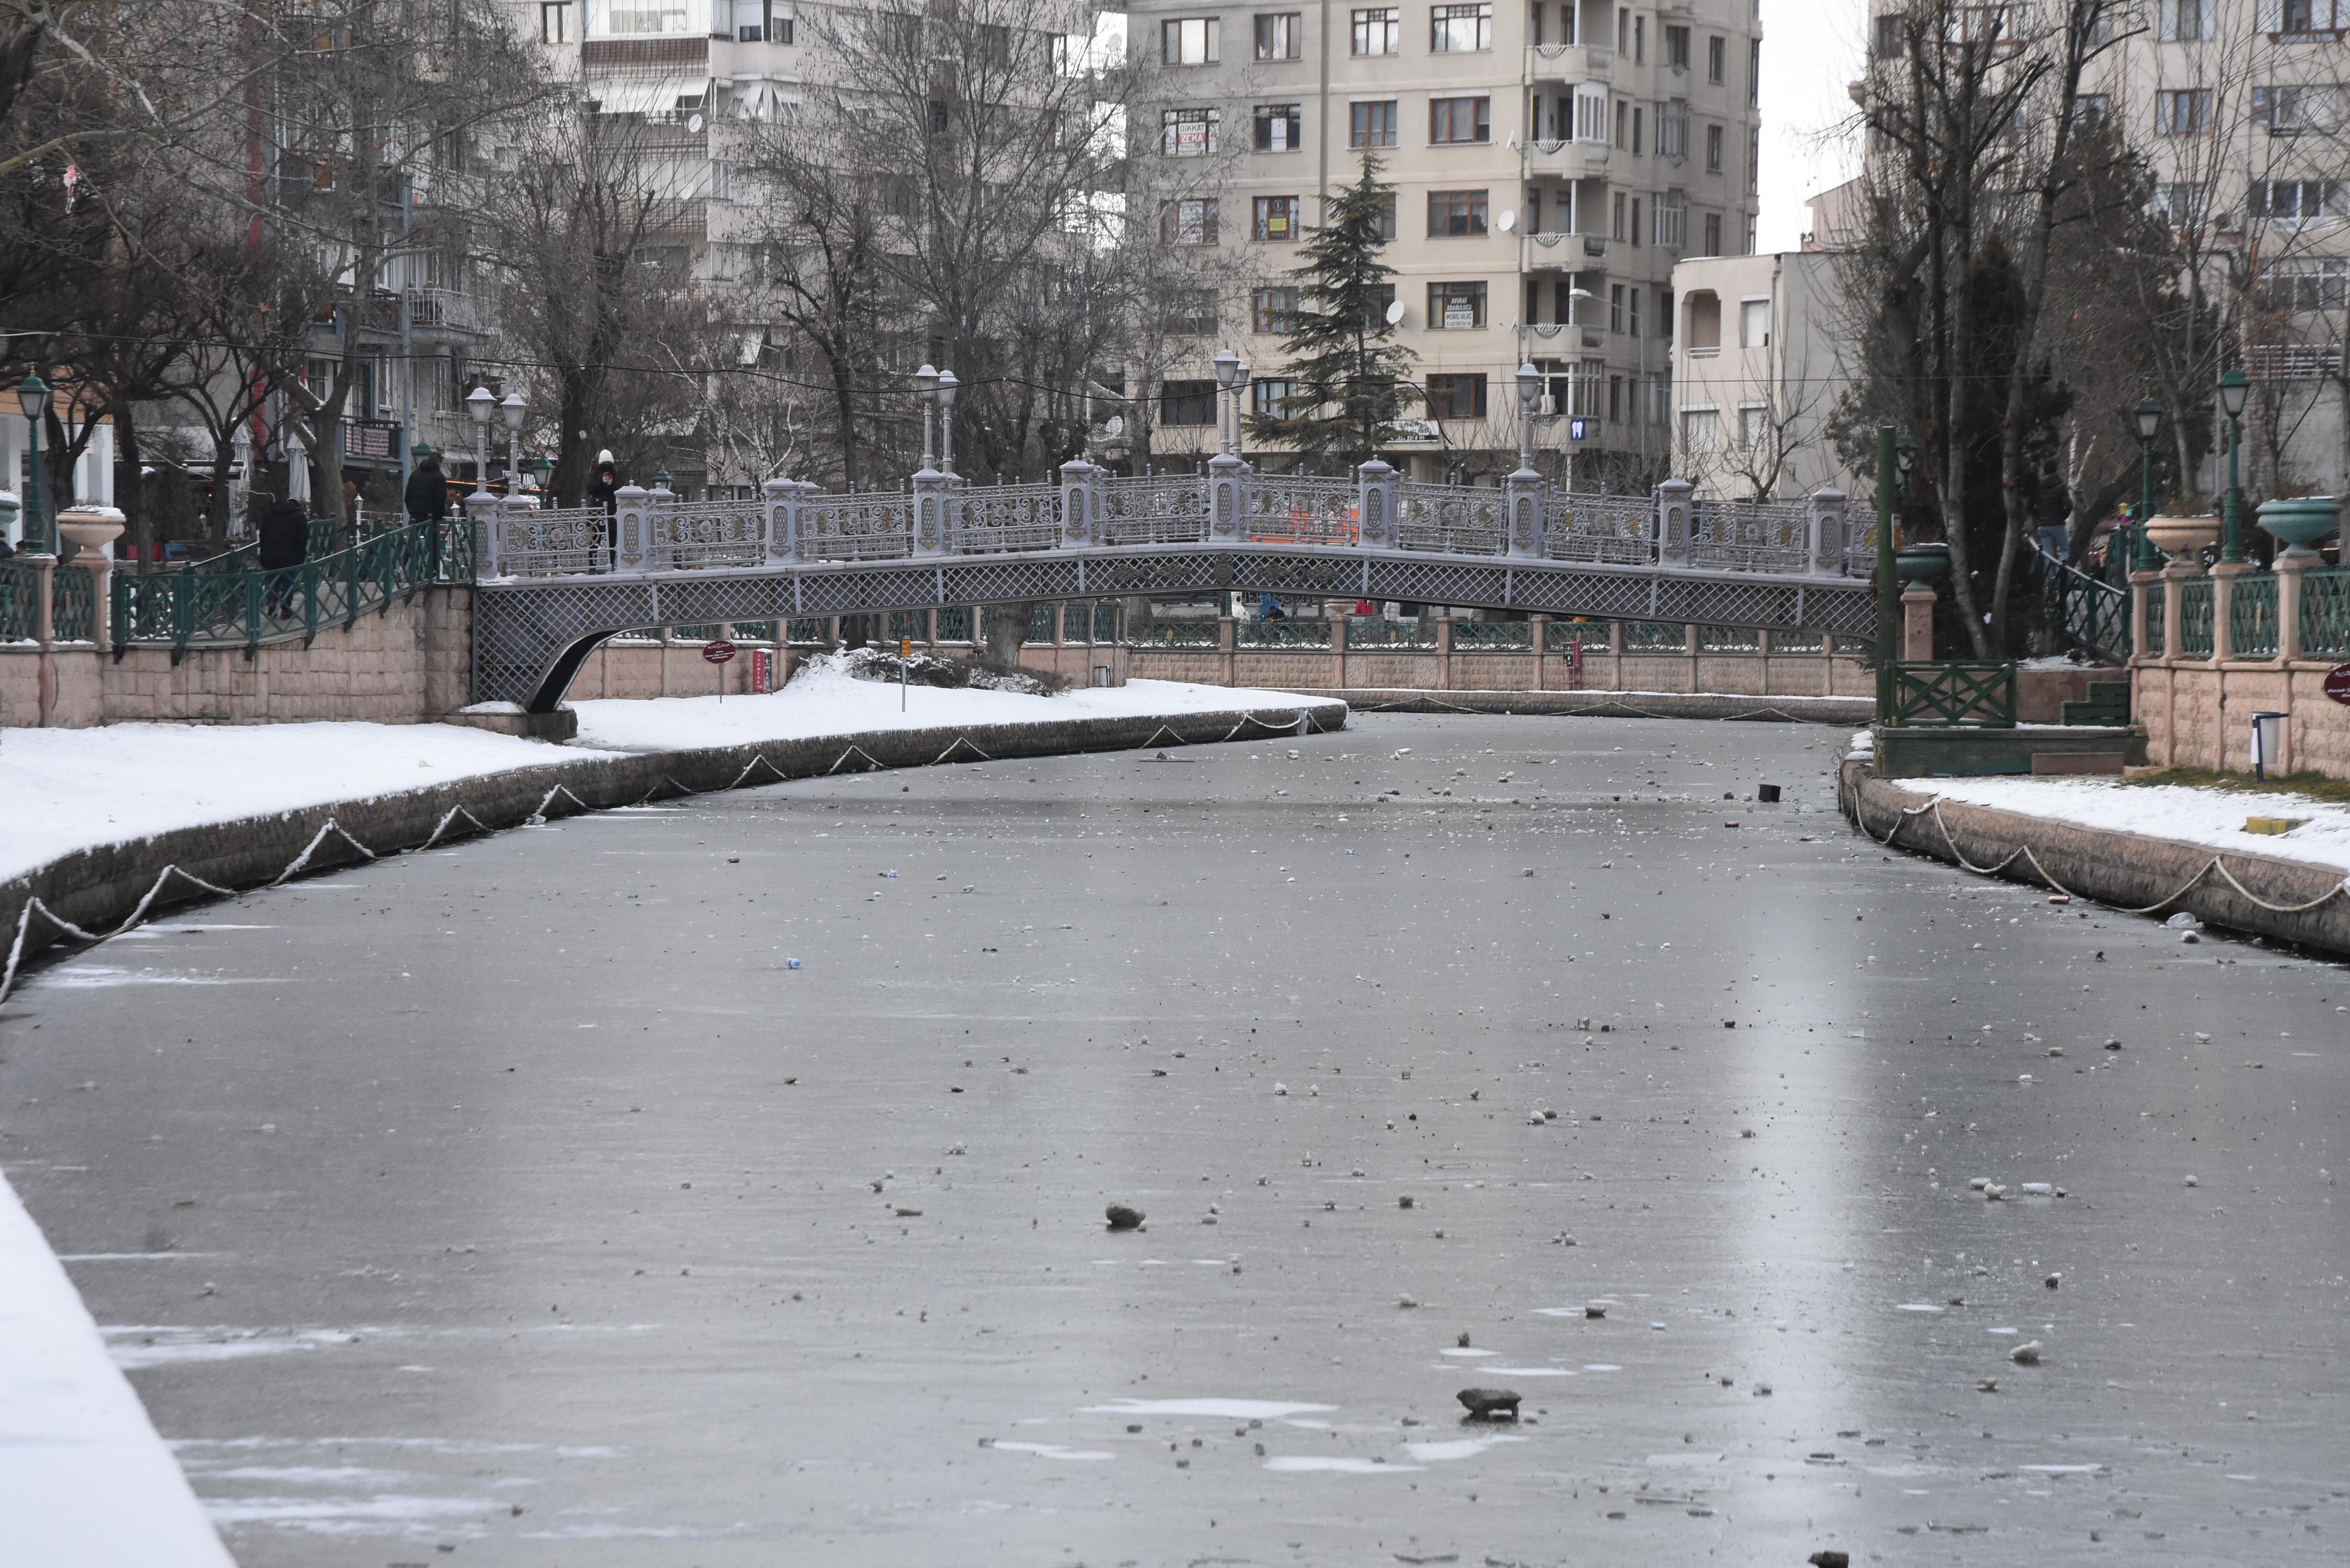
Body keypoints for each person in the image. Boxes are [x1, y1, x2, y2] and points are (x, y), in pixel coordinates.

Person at [258, 495, 308, 616]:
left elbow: (263, 535)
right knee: (288, 581)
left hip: (271, 554)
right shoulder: (299, 517)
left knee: (273, 579)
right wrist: (301, 556)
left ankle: (272, 603)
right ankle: (286, 609)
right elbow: (303, 538)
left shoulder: (270, 515)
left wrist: (264, 553)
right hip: (290, 555)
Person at [404, 446, 448, 524]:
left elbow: (407, 495)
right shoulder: (439, 477)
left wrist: (412, 510)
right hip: (431, 517)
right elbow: (440, 499)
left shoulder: (414, 474)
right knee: (430, 535)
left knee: (414, 535)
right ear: (439, 463)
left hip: (414, 515)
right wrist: (440, 515)